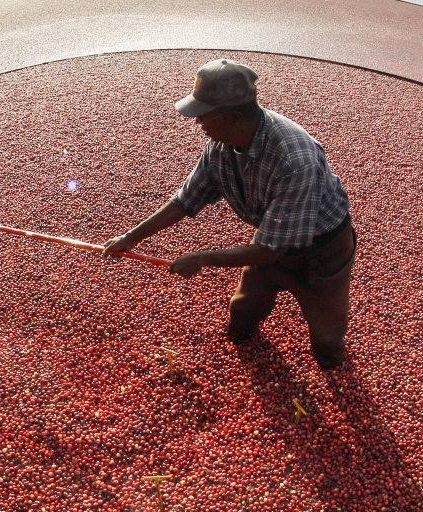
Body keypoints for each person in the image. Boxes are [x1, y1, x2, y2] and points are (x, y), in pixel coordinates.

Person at [104, 59, 356, 369]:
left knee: (326, 331)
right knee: (244, 309)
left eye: (204, 117)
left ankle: (331, 362)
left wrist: (202, 258)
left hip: (322, 248)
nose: (199, 125)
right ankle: (246, 342)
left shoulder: (295, 158)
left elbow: (266, 251)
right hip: (272, 234)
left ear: (234, 117)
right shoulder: (220, 146)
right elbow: (185, 200)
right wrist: (130, 238)